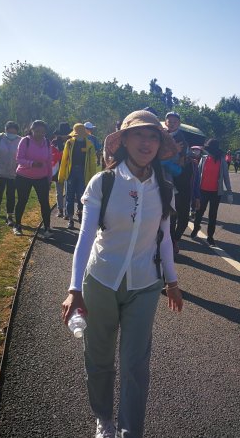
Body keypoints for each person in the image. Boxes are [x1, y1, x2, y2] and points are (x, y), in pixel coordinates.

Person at [61, 110, 182, 438]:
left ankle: (131, 431)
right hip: (101, 280)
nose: (147, 142)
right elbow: (86, 237)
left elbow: (164, 239)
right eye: (139, 134)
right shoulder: (104, 182)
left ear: (160, 144)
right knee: (99, 358)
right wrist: (74, 289)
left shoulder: (164, 187)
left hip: (145, 285)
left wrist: (172, 281)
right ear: (124, 140)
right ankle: (104, 418)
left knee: (135, 365)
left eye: (153, 136)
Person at [14, 120, 54, 238]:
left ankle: (47, 228)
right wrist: (32, 163)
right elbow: (19, 159)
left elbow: (49, 162)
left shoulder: (47, 143)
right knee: (22, 201)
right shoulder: (25, 141)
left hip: (41, 177)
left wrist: (49, 178)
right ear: (31, 130)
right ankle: (17, 225)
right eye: (37, 131)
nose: (40, 134)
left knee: (45, 203)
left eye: (42, 131)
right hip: (23, 176)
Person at [163, 111, 196, 253]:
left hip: (175, 168)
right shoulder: (163, 134)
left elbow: (182, 152)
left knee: (177, 214)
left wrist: (182, 158)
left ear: (179, 124)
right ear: (165, 122)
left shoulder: (180, 136)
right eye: (169, 121)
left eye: (174, 122)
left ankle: (173, 240)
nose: (172, 124)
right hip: (165, 168)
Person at [190, 138, 233, 246]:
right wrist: (194, 189)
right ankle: (196, 227)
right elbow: (197, 175)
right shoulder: (204, 159)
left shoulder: (222, 161)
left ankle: (210, 236)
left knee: (212, 215)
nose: (207, 151)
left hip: (215, 193)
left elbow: (226, 177)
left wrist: (229, 192)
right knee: (199, 212)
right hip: (202, 191)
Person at [58, 123, 98, 229]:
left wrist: (92, 178)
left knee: (82, 195)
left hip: (83, 173)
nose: (78, 136)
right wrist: (61, 175)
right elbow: (64, 160)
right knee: (69, 196)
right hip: (71, 173)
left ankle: (80, 213)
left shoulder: (89, 144)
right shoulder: (69, 143)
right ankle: (70, 219)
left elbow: (92, 163)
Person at [51, 122, 72, 218]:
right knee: (59, 192)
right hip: (58, 170)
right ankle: (60, 210)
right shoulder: (54, 143)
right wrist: (62, 154)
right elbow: (52, 156)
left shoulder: (72, 142)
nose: (64, 136)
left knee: (69, 192)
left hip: (69, 169)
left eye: (66, 134)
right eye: (62, 134)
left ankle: (67, 211)